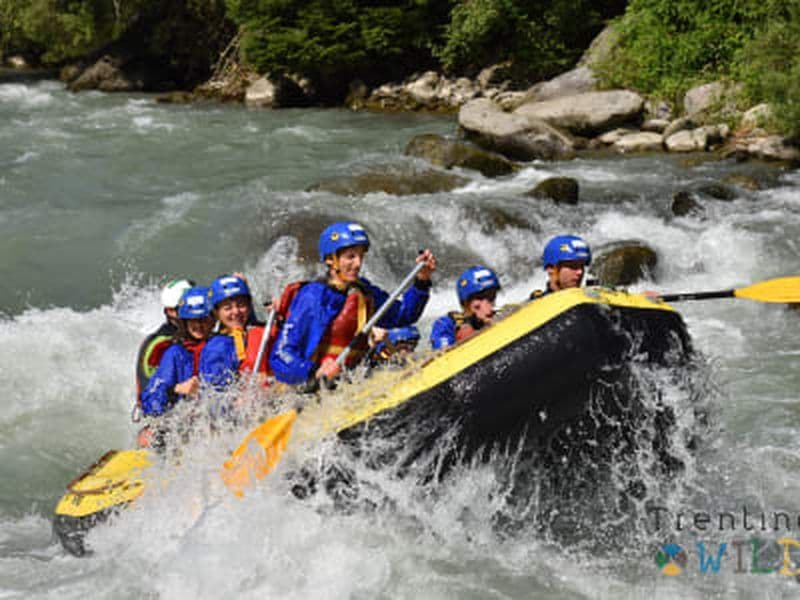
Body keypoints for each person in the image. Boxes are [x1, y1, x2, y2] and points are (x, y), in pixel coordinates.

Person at [269, 221, 436, 385]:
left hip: (352, 382)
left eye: (360, 256)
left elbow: (404, 315)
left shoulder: (363, 291)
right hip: (313, 389)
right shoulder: (313, 296)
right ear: (330, 260)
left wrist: (422, 280)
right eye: (350, 257)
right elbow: (281, 355)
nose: (358, 264)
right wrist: (315, 371)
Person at [134, 278, 193, 420]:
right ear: (170, 312)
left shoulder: (199, 331)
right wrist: (175, 390)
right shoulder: (160, 346)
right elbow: (151, 397)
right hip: (165, 416)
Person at [199, 275, 260, 390]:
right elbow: (217, 395)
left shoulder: (251, 329)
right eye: (227, 308)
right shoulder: (216, 348)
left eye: (241, 305)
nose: (236, 312)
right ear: (217, 313)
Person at [430, 266, 501, 350]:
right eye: (479, 297)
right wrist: (463, 343)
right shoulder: (446, 325)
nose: (487, 306)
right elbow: (442, 356)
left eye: (491, 296)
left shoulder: (501, 317)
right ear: (466, 303)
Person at [530, 235, 591, 299]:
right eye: (573, 266)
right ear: (551, 268)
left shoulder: (590, 299)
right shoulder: (537, 304)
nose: (580, 272)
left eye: (582, 266)